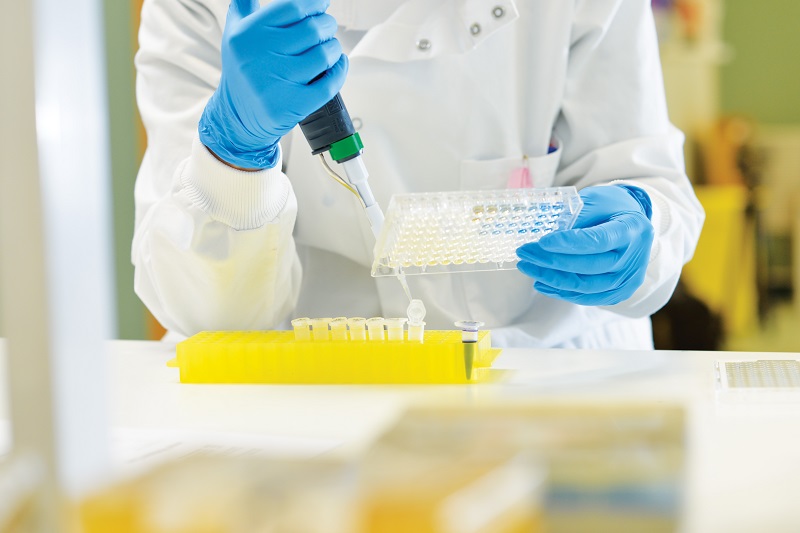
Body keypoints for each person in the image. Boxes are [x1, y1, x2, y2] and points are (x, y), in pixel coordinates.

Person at [133, 0, 704, 349]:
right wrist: (234, 152)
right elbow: (206, 313)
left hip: (544, 377)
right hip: (307, 392)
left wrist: (641, 228)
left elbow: (648, 179)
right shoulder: (203, 5)